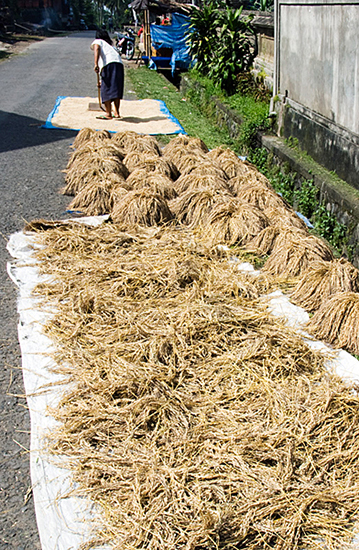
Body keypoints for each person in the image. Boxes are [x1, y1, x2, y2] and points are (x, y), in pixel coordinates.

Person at [90, 29, 124, 120]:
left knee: (106, 89)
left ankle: (108, 113)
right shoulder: (110, 46)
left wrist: (96, 64)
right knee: (116, 87)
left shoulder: (98, 41)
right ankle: (116, 112)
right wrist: (102, 80)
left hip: (109, 65)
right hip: (119, 64)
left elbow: (96, 48)